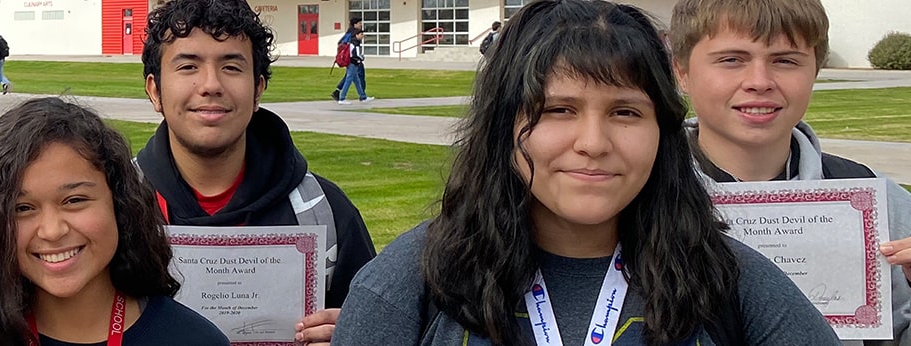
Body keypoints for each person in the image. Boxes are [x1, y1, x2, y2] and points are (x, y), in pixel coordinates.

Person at [333, 1, 839, 344]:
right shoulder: (408, 286)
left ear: (662, 129)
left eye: (625, 112)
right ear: (502, 126)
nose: (593, 143)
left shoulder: (733, 283)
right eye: (557, 110)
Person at [130, 0, 377, 343]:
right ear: (155, 91)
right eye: (188, 66)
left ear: (258, 89)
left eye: (231, 66)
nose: (210, 84)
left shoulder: (326, 212)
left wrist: (354, 336)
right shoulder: (116, 207)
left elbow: (378, 329)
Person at [670, 0, 911, 342]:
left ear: (815, 70)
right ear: (682, 72)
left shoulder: (882, 207)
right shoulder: (639, 199)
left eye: (785, 60)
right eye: (731, 60)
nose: (759, 81)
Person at [0, 97, 228, 345]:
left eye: (75, 201)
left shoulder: (194, 339)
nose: (52, 230)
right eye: (22, 208)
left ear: (119, 203)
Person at [334, 26, 372, 104]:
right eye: (361, 34)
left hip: (351, 63)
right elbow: (356, 55)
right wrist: (362, 58)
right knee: (348, 80)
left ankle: (362, 96)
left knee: (356, 80)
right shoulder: (355, 44)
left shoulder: (351, 43)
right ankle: (342, 98)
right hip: (353, 63)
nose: (362, 36)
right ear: (356, 35)